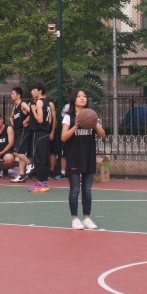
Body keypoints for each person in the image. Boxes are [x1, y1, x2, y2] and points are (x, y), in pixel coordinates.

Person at [61, 89, 106, 230]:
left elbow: (102, 134)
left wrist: (95, 122)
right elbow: (63, 137)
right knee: (75, 189)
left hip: (88, 155)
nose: (82, 98)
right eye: (79, 96)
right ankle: (74, 219)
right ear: (73, 99)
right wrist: (76, 126)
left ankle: (87, 218)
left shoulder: (91, 116)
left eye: (84, 96)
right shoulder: (68, 117)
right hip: (74, 156)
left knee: (87, 189)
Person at [9, 87, 30, 181]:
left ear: (18, 95)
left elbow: (32, 113)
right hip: (17, 131)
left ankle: (30, 164)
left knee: (16, 152)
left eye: (13, 94)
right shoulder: (15, 107)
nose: (11, 95)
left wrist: (25, 121)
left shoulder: (23, 104)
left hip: (24, 130)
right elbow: (11, 117)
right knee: (21, 153)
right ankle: (22, 175)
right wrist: (13, 123)